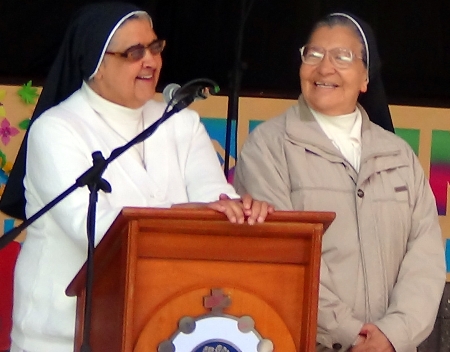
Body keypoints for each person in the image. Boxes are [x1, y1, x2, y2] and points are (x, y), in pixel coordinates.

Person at [0, 3, 273, 352]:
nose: (151, 61)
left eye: (155, 48)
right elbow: (99, 232)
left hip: (161, 328)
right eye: (134, 52)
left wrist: (239, 211)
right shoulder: (57, 130)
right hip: (63, 334)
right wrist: (193, 213)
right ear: (97, 64)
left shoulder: (180, 122)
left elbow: (215, 201)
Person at [233, 12, 445, 352]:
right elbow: (282, 256)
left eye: (342, 56)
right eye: (313, 54)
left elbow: (426, 258)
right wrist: (351, 335)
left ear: (365, 78)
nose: (324, 68)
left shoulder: (398, 155)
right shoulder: (270, 146)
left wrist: (393, 335)